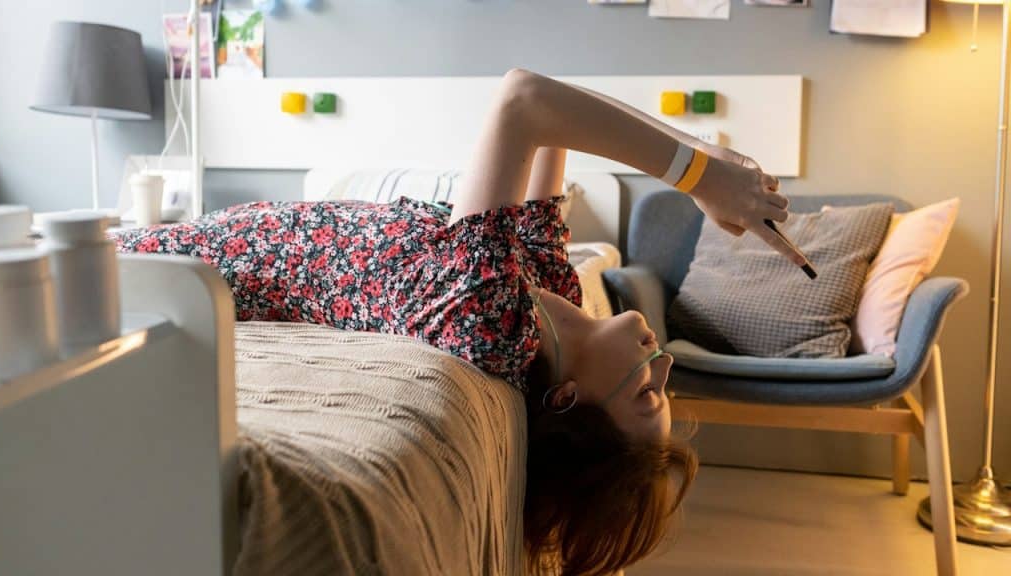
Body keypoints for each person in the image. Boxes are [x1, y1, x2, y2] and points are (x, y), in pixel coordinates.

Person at [115, 69, 799, 575]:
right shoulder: (551, 288)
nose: (664, 365)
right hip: (197, 243)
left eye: (647, 393)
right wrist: (713, 165)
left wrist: (700, 175)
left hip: (177, 271)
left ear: (565, 400)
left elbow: (522, 102)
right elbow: (556, 104)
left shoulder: (490, 323)